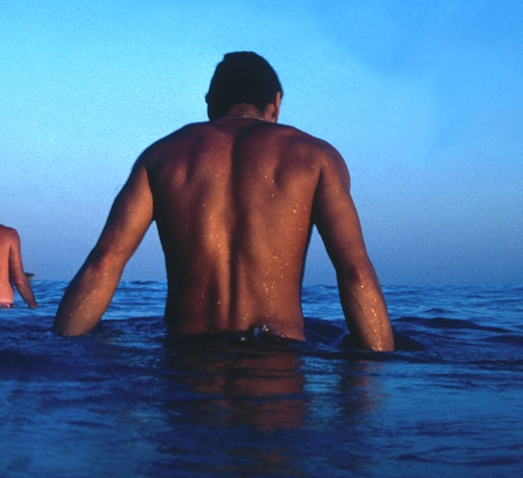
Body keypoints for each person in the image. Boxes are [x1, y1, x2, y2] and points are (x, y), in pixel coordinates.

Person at [53, 52, 393, 350]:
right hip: (277, 361)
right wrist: (379, 375)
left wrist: (57, 354)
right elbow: (355, 272)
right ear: (276, 102)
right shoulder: (316, 157)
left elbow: (105, 261)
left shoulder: (161, 157)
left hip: (188, 359)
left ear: (210, 102)